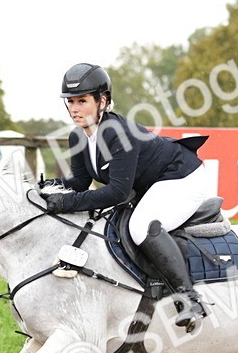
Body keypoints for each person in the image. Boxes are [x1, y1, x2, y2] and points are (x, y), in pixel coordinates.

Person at [41, 63, 212, 330]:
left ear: (103, 101)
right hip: (153, 183)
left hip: (182, 177)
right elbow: (79, 182)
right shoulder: (77, 137)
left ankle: (189, 298)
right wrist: (45, 188)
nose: (75, 108)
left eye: (82, 101)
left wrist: (65, 202)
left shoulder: (117, 133)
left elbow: (117, 193)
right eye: (71, 101)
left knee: (140, 226)